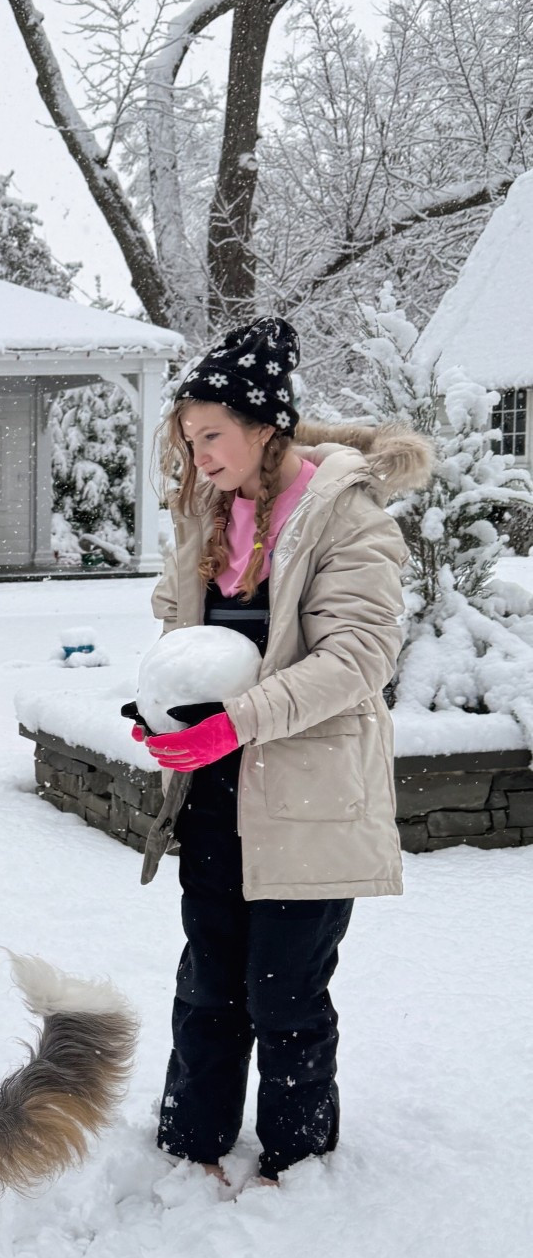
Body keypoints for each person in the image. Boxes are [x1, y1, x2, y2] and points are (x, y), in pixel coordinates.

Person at [131, 318, 430, 1184]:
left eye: (211, 437)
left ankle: (293, 1160)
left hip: (309, 799)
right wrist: (159, 711)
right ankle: (191, 1146)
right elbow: (173, 632)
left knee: (283, 992)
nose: (197, 460)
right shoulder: (206, 518)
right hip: (216, 795)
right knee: (207, 985)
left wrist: (235, 722)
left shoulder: (347, 518)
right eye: (187, 443)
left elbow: (358, 660)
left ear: (266, 427)